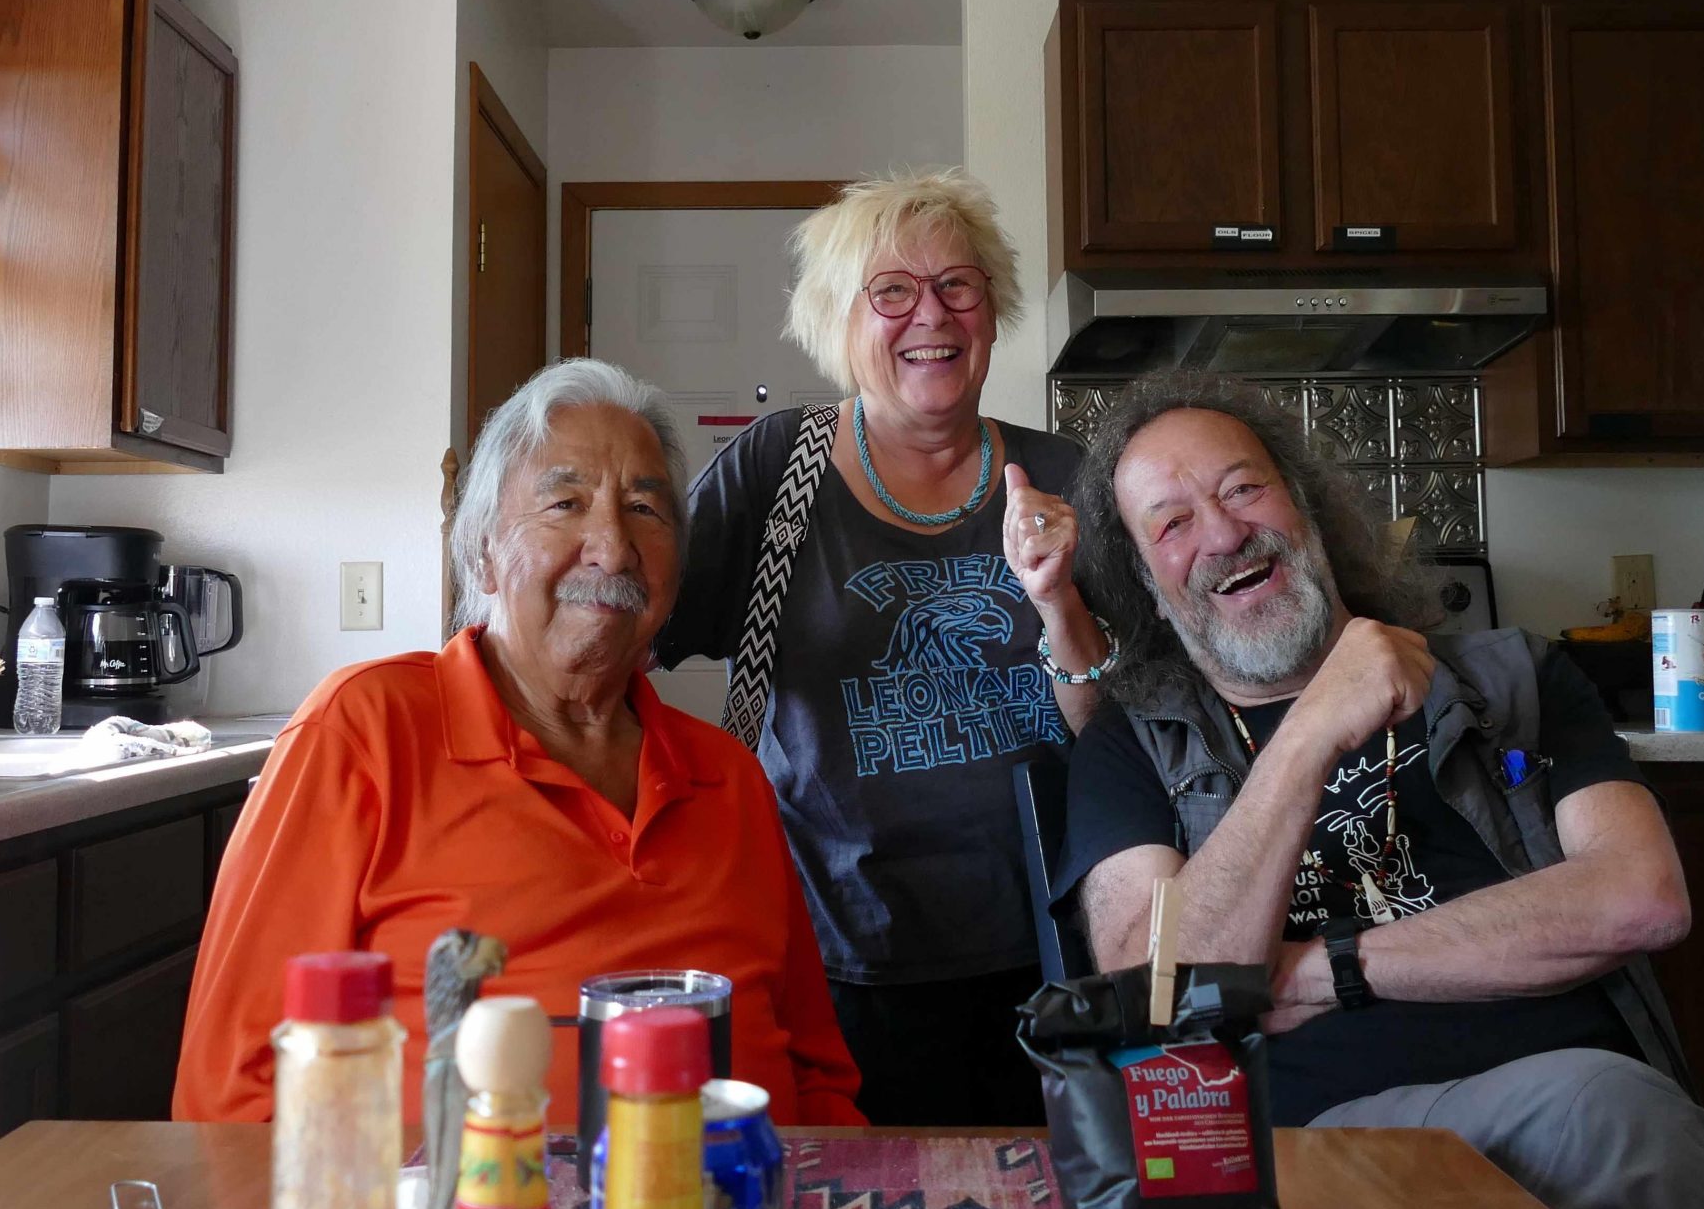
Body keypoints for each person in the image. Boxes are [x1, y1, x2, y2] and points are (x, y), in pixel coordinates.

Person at [1052, 370, 1704, 1209]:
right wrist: (1312, 730)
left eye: (1244, 490)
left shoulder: (1510, 679)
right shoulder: (1133, 746)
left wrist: (1327, 969)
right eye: (1173, 522)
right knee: (1610, 1119)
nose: (1223, 534)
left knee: (1610, 1118)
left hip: (1573, 1100)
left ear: (1305, 510)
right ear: (1145, 578)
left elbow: (1639, 898)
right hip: (1313, 1139)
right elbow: (1158, 989)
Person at [173, 359, 862, 1129]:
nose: (612, 546)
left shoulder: (730, 778)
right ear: (482, 553)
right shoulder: (363, 730)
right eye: (565, 503)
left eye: (646, 509)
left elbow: (816, 1072)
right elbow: (231, 1089)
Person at [654, 169, 1109, 1125]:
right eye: (891, 291)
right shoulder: (780, 465)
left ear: (991, 309)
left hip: (1060, 950)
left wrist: (1058, 597)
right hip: (836, 956)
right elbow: (626, 641)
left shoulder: (1070, 477)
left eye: (959, 284)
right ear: (839, 322)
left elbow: (1118, 729)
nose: (930, 315)